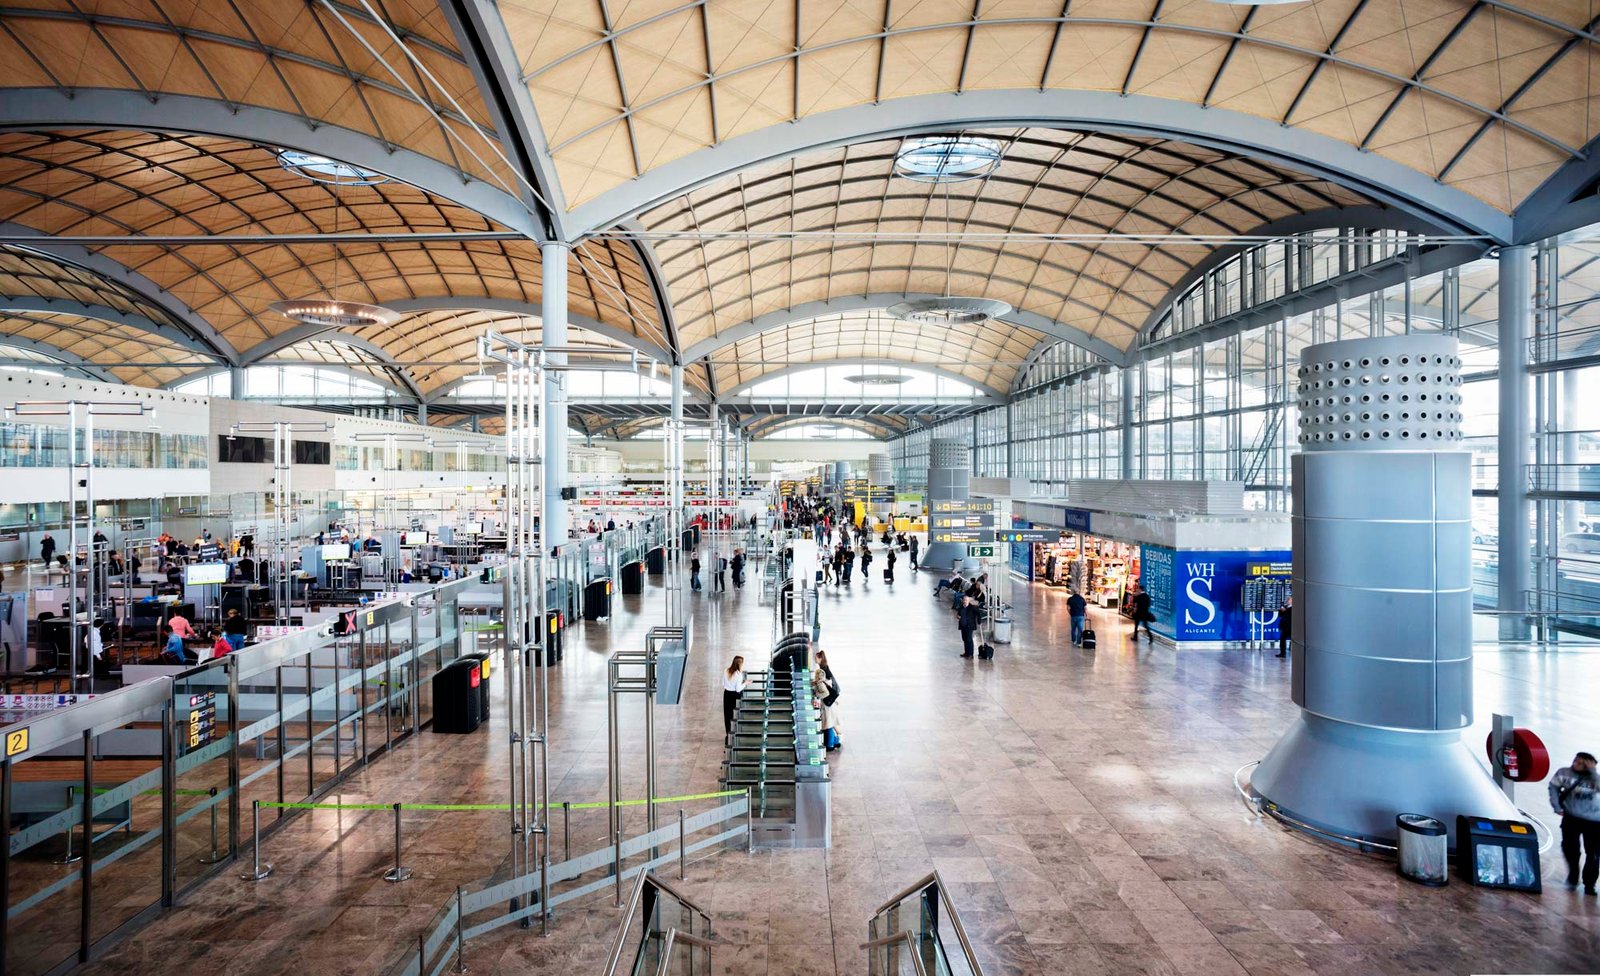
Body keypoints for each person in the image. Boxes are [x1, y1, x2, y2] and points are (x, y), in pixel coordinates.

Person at [1551, 751, 1600, 894]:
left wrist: (1592, 772)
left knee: (1594, 854)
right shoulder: (1564, 773)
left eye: (1580, 763)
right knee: (1570, 848)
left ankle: (1589, 884)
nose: (1575, 764)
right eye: (1575, 760)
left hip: (1595, 820)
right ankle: (1573, 874)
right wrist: (1557, 806)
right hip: (1572, 817)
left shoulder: (1595, 778)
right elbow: (1553, 787)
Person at [813, 650, 841, 751]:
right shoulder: (824, 668)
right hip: (830, 701)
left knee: (828, 724)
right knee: (829, 723)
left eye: (816, 657)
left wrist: (817, 692)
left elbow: (825, 690)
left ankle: (830, 745)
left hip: (828, 702)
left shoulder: (823, 670)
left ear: (820, 658)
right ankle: (836, 741)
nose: (814, 659)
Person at [722, 655, 747, 735]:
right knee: (735, 715)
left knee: (727, 715)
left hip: (726, 694)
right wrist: (745, 683)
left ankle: (728, 734)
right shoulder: (738, 675)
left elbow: (722, 683)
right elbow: (738, 689)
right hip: (734, 696)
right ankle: (734, 734)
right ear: (739, 664)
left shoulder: (726, 670)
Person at [958, 586, 983, 658]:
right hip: (963, 626)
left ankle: (970, 654)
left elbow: (978, 613)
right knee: (964, 639)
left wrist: (979, 621)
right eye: (964, 600)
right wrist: (958, 616)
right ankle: (966, 652)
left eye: (966, 600)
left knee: (969, 639)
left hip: (969, 626)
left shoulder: (972, 607)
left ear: (968, 601)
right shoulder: (961, 607)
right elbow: (959, 614)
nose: (965, 601)